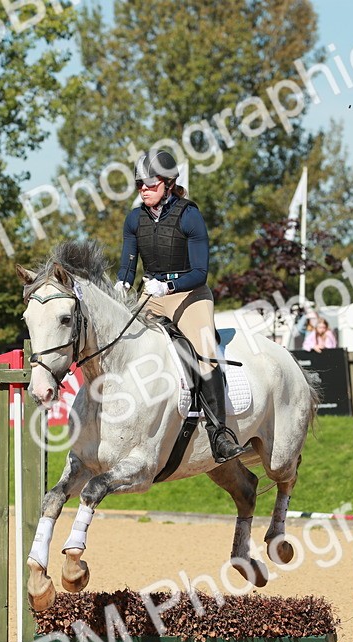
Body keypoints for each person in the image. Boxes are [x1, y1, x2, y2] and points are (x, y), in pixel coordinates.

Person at [117, 149, 249, 462]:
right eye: (139, 184)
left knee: (204, 354)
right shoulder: (135, 219)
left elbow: (201, 272)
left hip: (189, 295)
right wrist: (121, 284)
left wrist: (169, 286)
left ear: (168, 182)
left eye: (150, 183)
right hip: (151, 295)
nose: (143, 189)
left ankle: (220, 435)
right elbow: (128, 264)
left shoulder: (190, 215)